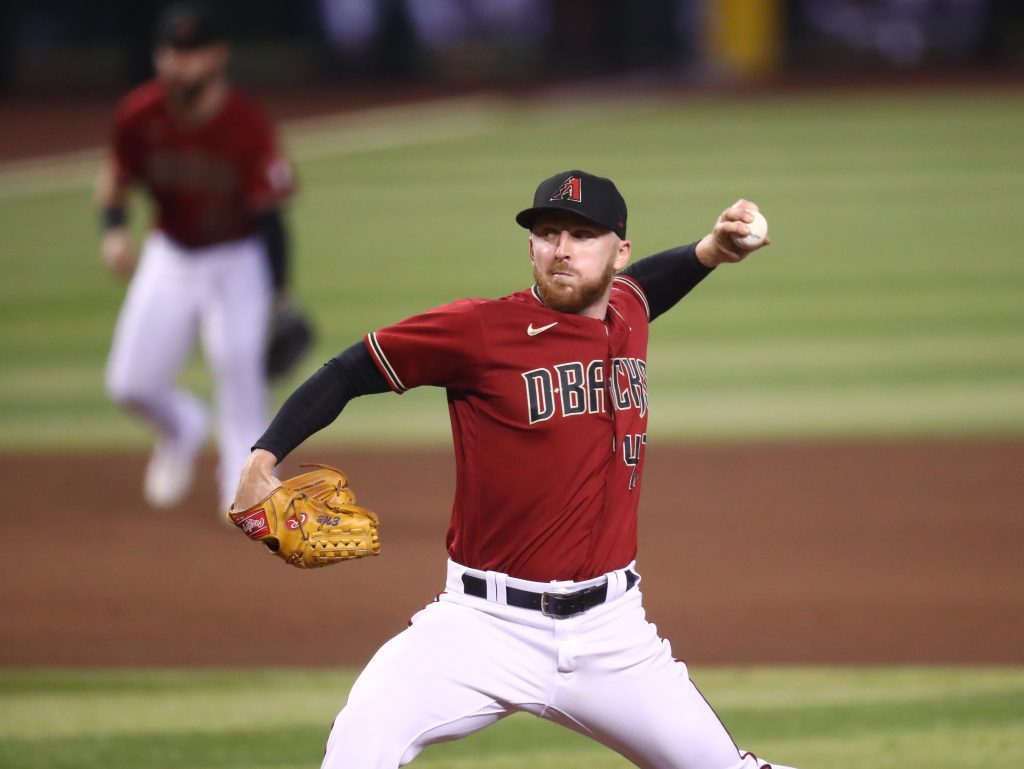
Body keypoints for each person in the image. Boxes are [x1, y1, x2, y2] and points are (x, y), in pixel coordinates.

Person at [232, 170, 796, 769]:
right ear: (530, 246)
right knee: (357, 749)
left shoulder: (627, 312)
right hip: (480, 627)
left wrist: (708, 252)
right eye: (547, 233)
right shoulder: (481, 330)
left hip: (613, 637)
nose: (561, 249)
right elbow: (349, 370)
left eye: (582, 235)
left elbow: (651, 286)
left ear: (618, 252)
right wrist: (261, 458)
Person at [97, 2, 295, 511]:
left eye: (191, 52)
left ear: (217, 57)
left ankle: (246, 487)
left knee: (239, 367)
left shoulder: (245, 122)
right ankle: (182, 427)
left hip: (237, 258)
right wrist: (115, 232)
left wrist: (278, 293)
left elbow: (271, 215)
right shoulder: (140, 113)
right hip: (172, 254)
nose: (178, 63)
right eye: (170, 52)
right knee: (130, 382)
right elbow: (115, 180)